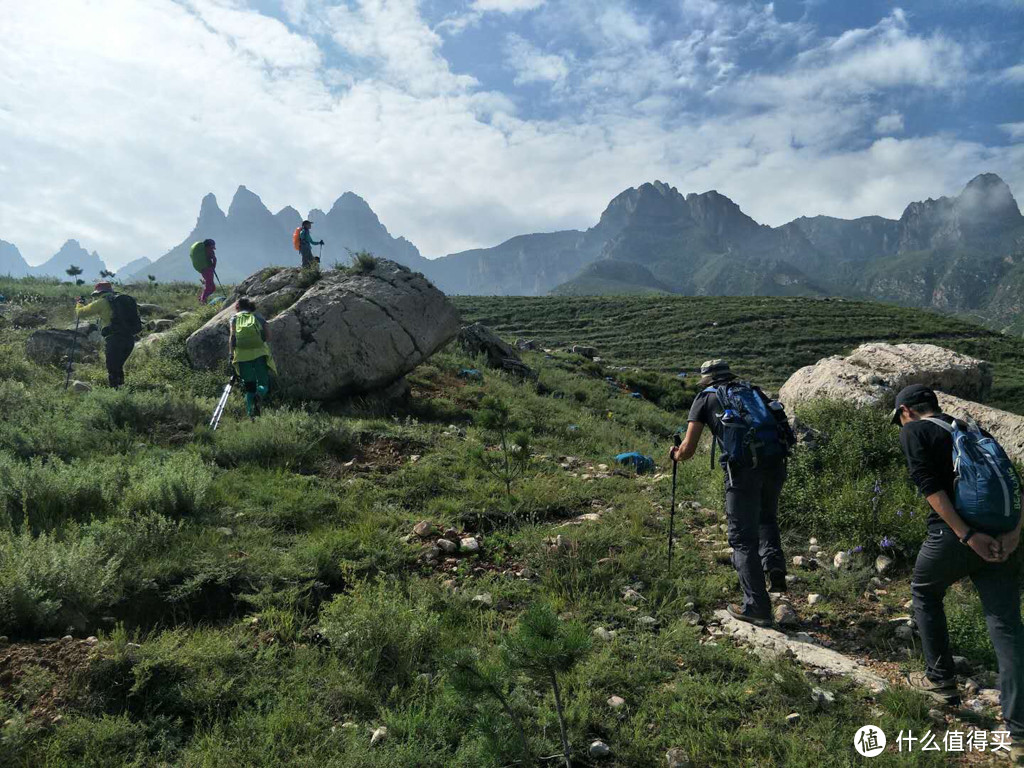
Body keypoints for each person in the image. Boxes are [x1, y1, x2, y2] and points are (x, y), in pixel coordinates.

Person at [892, 384, 1024, 752]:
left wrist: (967, 536)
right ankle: (1020, 734)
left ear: (906, 411)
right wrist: (1012, 535)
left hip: (955, 537)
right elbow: (1016, 486)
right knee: (1006, 625)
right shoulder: (973, 431)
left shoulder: (913, 430)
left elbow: (929, 486)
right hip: (1001, 535)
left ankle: (941, 683)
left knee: (925, 590)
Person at [670, 360, 792, 626]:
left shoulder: (704, 398)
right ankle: (774, 566)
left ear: (706, 379)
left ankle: (756, 607)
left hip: (743, 470)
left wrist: (676, 455)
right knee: (767, 519)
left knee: (742, 538)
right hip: (775, 463)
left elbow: (688, 448)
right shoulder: (753, 391)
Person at [76, 281, 142, 388]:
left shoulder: (102, 302)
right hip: (129, 339)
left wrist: (79, 303)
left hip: (114, 340)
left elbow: (81, 313)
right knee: (118, 367)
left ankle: (115, 393)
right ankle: (121, 391)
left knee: (112, 368)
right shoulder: (121, 301)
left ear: (98, 293)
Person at [228, 297, 276, 418]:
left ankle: (251, 414)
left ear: (237, 307)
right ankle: (259, 393)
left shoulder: (234, 318)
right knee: (263, 383)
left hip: (242, 356)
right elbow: (269, 337)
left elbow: (232, 338)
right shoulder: (257, 317)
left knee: (249, 387)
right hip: (260, 353)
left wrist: (231, 354)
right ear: (250, 306)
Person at [190, 239, 217, 304]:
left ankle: (201, 298)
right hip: (208, 269)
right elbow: (214, 259)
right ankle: (203, 300)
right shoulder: (209, 250)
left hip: (203, 270)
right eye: (212, 247)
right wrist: (213, 265)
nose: (213, 249)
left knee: (212, 287)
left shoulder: (202, 252)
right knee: (209, 287)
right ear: (210, 246)